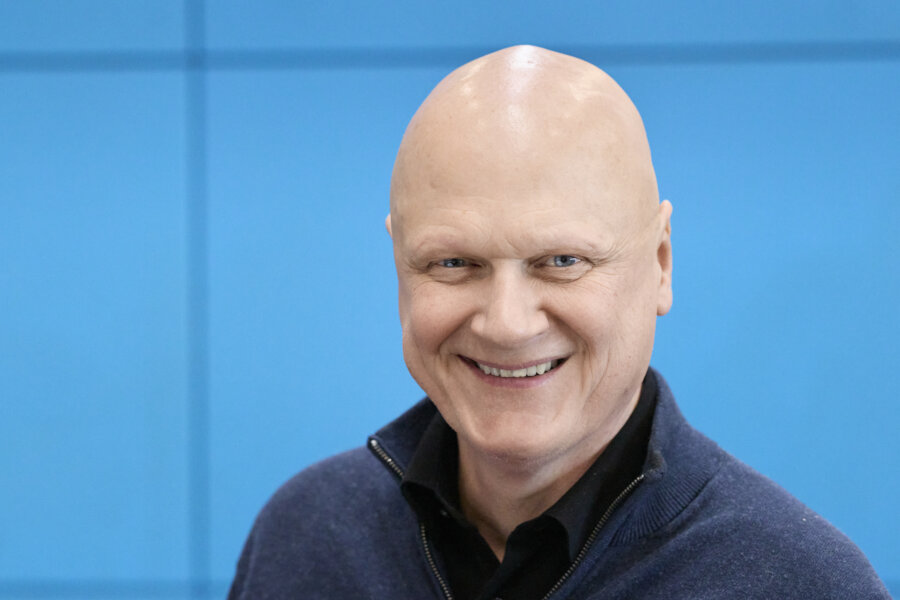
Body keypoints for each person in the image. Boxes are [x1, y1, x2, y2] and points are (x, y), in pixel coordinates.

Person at [228, 45, 889, 599]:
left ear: (660, 264)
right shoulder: (305, 543)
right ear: (400, 269)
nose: (508, 325)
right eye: (454, 263)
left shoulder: (805, 585)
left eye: (562, 261)